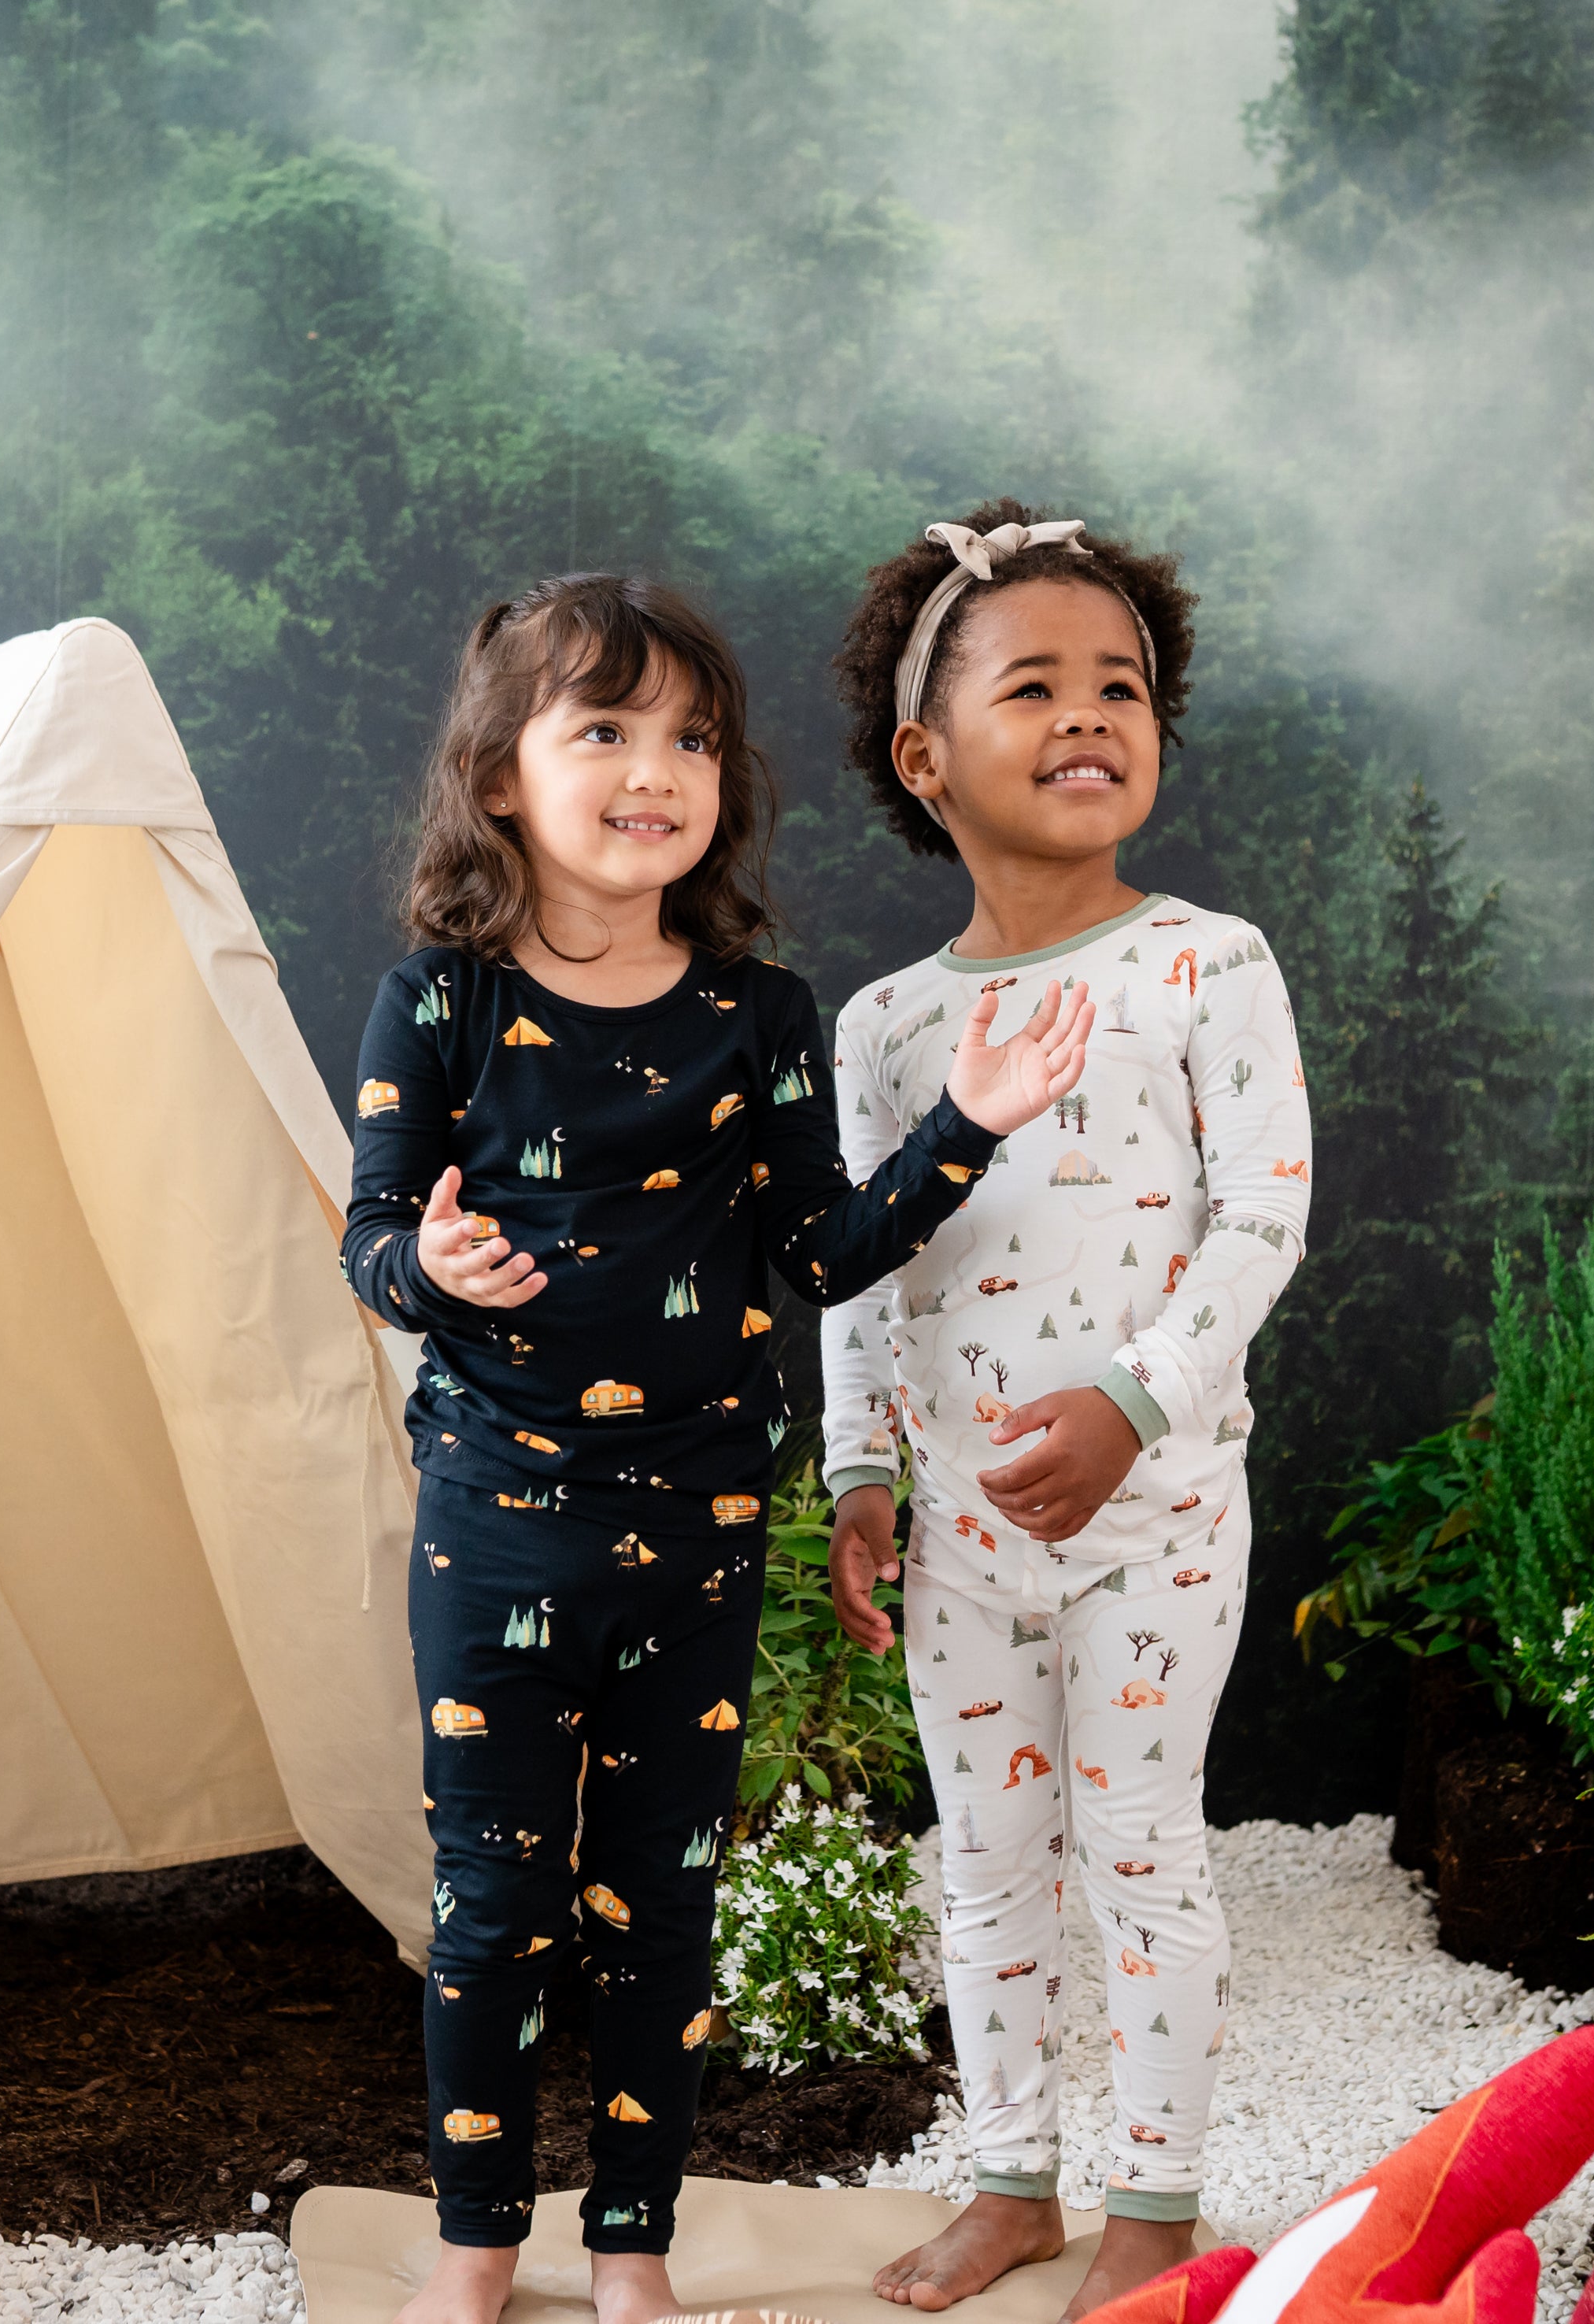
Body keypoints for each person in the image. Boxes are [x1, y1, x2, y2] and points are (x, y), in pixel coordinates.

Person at [341, 571, 1095, 2324]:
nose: (652, 768)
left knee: (657, 1924)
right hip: (495, 1536)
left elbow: (827, 1251)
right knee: (489, 1919)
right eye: (601, 728)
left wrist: (969, 1126)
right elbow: (375, 1236)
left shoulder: (756, 1015)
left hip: (696, 1536)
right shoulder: (436, 1005)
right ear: (501, 773)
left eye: (689, 737)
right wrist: (430, 1265)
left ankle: (629, 2255)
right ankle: (472, 2253)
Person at [819, 506, 1312, 2321]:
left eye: (1124, 684)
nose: (1093, 712)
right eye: (1035, 684)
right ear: (925, 757)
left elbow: (1263, 1216)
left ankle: (1156, 2211)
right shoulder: (881, 1030)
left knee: (1142, 1852)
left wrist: (1130, 1404)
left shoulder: (1206, 964)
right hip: (959, 1535)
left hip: (1155, 1520)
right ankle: (1012, 2180)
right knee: (983, 1866)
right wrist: (861, 1472)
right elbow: (859, 1269)